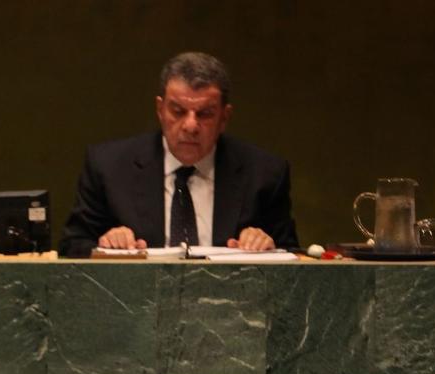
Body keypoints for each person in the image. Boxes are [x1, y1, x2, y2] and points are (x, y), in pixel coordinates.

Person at [59, 52, 297, 257]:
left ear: (224, 117)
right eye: (178, 111)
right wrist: (106, 247)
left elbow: (295, 262)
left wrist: (268, 248)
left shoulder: (265, 174)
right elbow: (72, 246)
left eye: (204, 114)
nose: (190, 126)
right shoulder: (108, 167)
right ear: (160, 110)